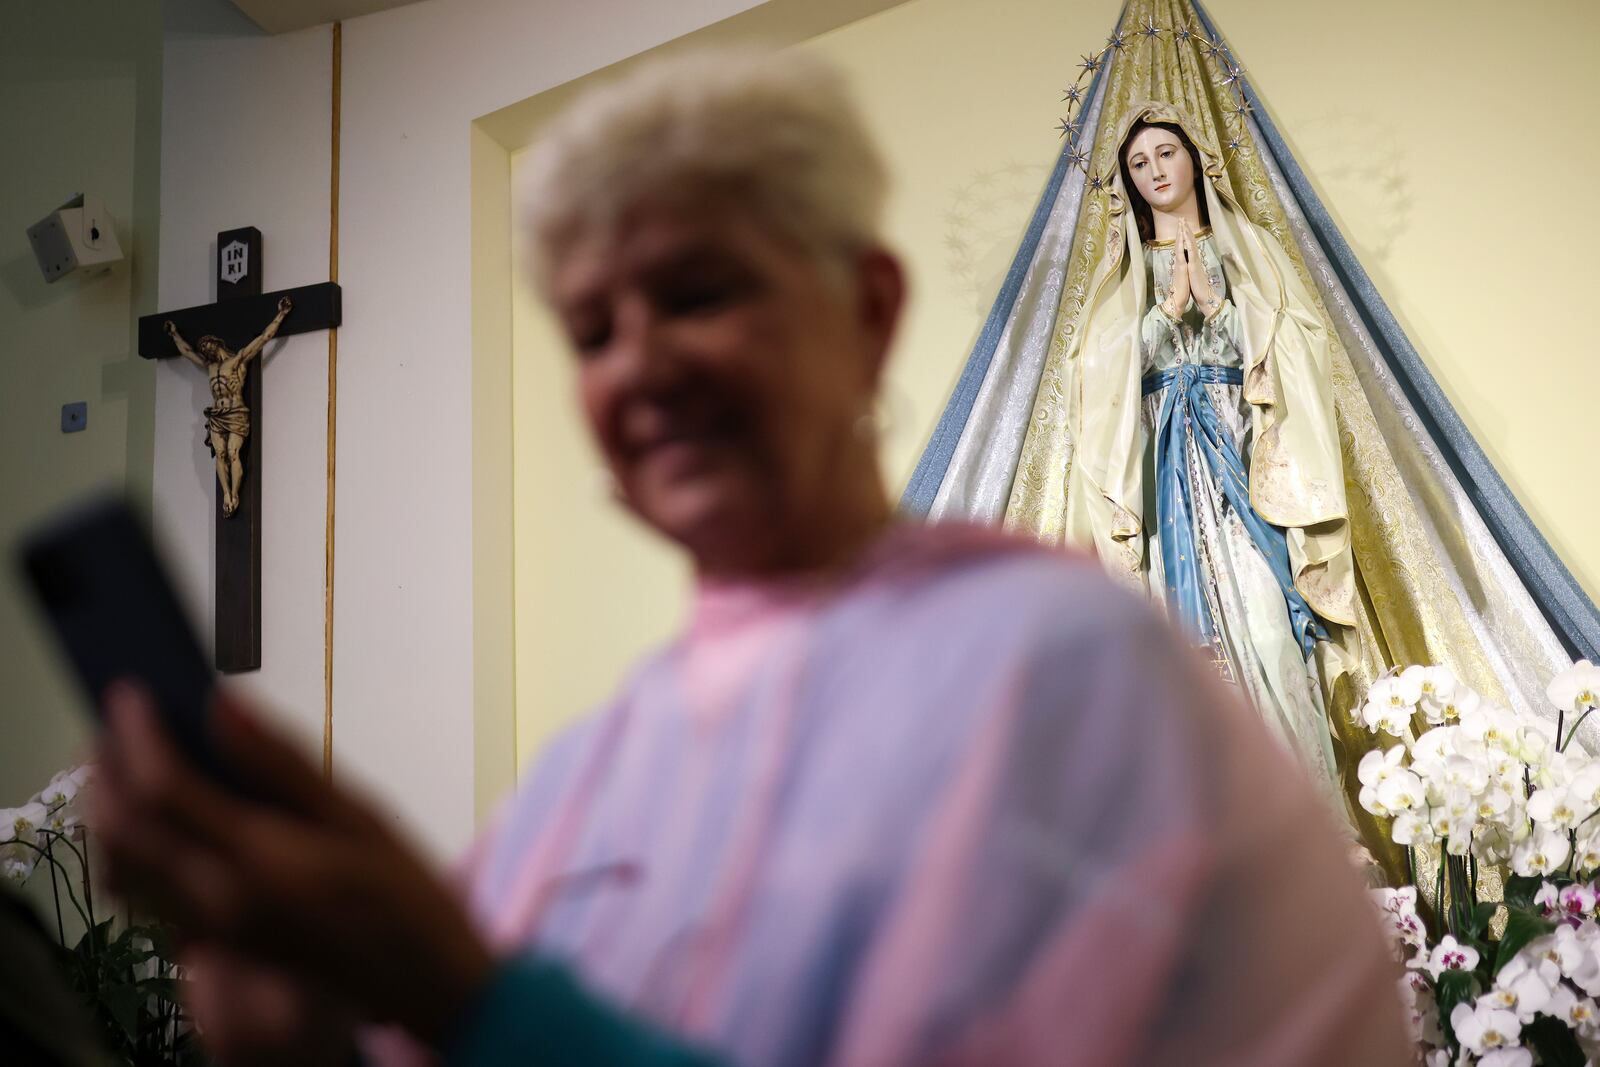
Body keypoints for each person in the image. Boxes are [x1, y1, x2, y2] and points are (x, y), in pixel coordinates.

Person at [89, 50, 1409, 1067]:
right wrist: (303, 1022)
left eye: (700, 291)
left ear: (870, 309)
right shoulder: (587, 766)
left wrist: (464, 993)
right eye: (593, 329)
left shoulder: (1065, 666)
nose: (642, 367)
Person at [1062, 102, 1356, 816]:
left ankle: (1315, 830)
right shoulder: (1124, 271)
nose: (1154, 171)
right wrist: (1164, 315)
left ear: (1194, 158)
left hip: (1246, 461)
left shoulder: (1247, 250)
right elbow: (1095, 380)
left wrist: (1221, 314)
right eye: (1137, 164)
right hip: (1163, 478)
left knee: (1270, 631)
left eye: (1164, 153)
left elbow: (1299, 348)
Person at [164, 294, 291, 516]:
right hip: (217, 414)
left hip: (236, 412)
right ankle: (226, 494)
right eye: (202, 347)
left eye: (207, 344)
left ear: (217, 342)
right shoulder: (209, 366)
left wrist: (281, 313)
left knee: (233, 453)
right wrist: (174, 333)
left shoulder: (238, 360)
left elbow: (264, 338)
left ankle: (235, 493)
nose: (205, 348)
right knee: (220, 453)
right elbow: (186, 352)